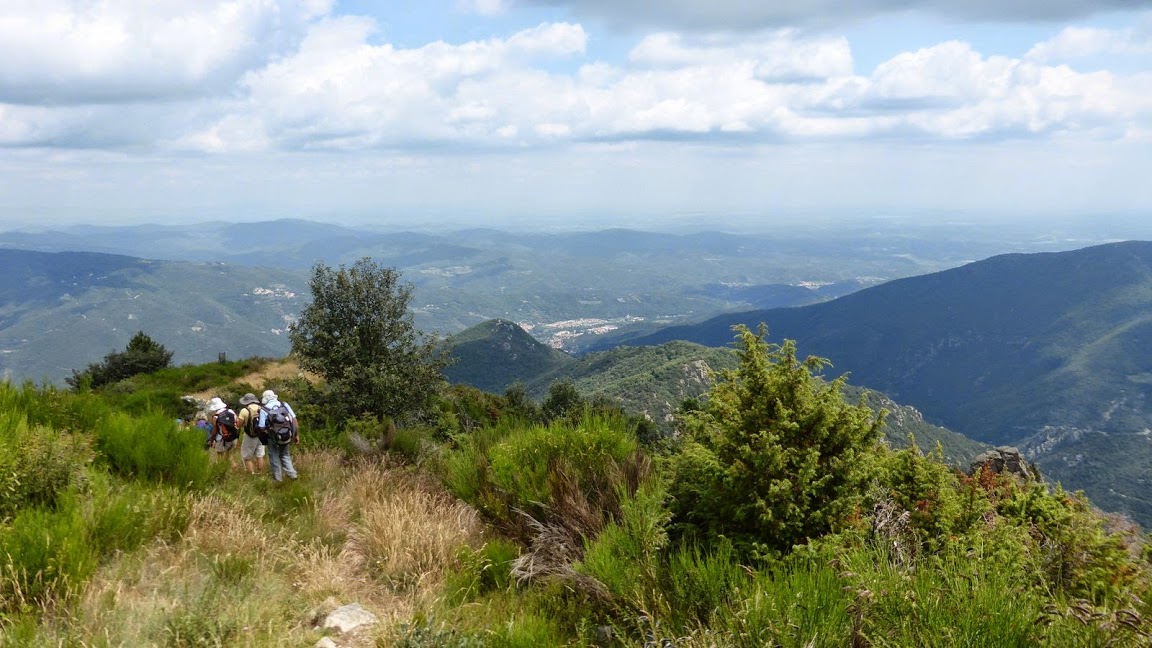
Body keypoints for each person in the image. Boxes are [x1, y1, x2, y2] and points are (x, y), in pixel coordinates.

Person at [257, 389, 299, 481]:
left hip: (272, 437)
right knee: (285, 454)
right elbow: (294, 420)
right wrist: (296, 435)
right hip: (287, 435)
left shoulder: (264, 409)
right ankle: (292, 475)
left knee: (274, 456)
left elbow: (261, 427)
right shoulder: (284, 404)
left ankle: (277, 479)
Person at [236, 392, 266, 475]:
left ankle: (252, 473)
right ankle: (260, 473)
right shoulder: (262, 408)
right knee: (260, 455)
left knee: (247, 456)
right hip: (261, 435)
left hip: (250, 436)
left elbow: (239, 425)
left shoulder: (244, 411)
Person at [207, 396, 239, 466]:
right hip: (233, 437)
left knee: (220, 457)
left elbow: (215, 431)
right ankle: (234, 468)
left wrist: (212, 440)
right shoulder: (231, 411)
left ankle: (222, 469)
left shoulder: (215, 417)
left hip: (222, 438)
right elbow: (237, 422)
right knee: (229, 456)